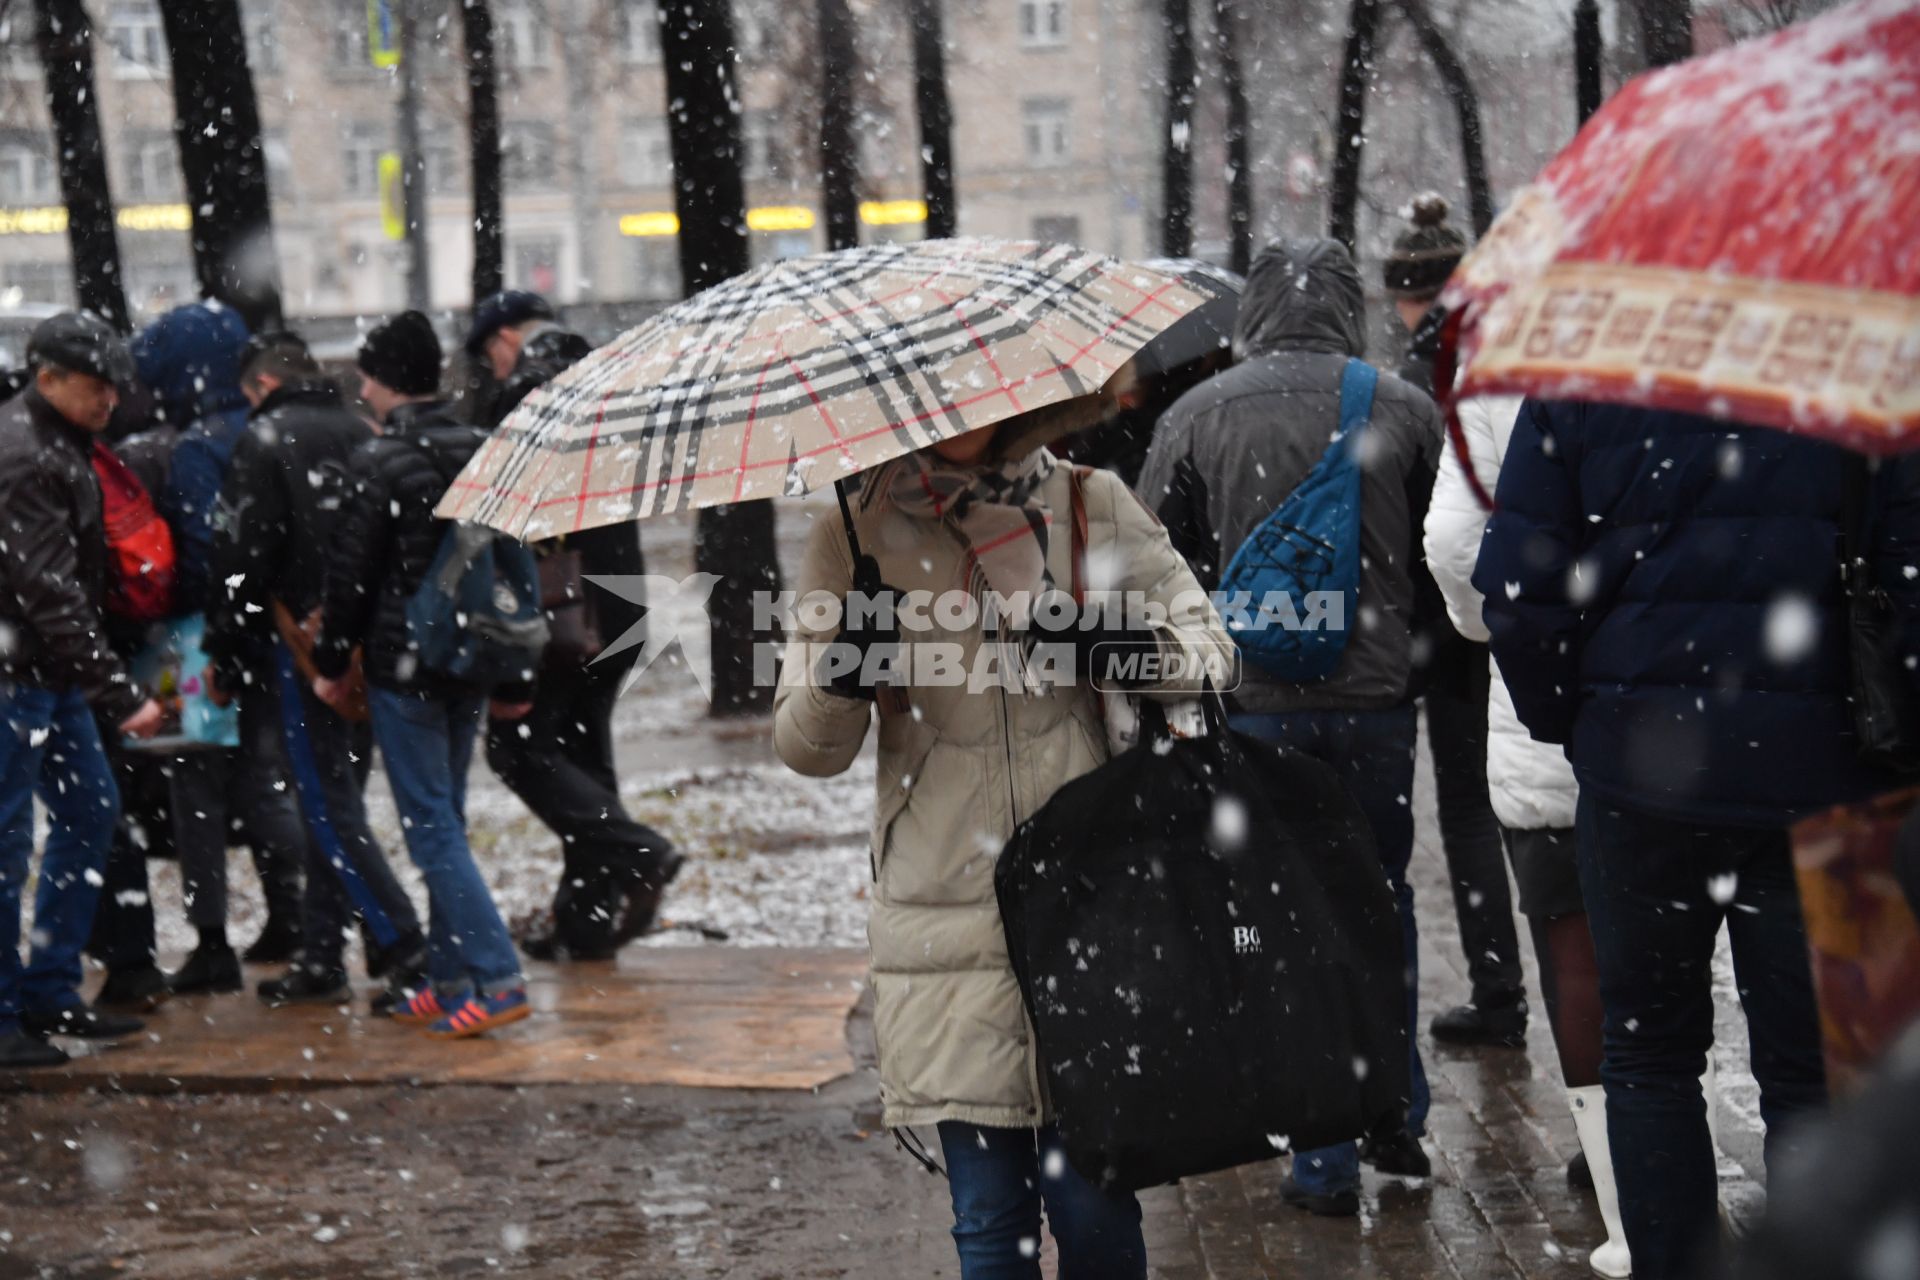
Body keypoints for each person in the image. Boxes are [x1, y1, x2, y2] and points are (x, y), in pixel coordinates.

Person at [773, 411, 1230, 1279]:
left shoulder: (1090, 504)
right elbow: (805, 748)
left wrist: (1107, 646)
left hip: (1090, 902)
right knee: (990, 1221)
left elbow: (1212, 655)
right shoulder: (853, 533)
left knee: (1095, 1204)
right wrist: (843, 673)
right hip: (947, 910)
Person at [1475, 400, 1920, 1278]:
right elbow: (1908, 577)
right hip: (1824, 777)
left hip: (1643, 775)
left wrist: (1583, 718)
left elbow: (1519, 593)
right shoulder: (1859, 363)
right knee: (1816, 1070)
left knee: (1648, 1055)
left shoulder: (1586, 365)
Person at [1138, 236, 1441, 1214]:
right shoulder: (1402, 407)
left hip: (1257, 712)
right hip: (1377, 709)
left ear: (1253, 313)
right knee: (1377, 900)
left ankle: (1321, 1153)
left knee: (1286, 916)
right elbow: (1447, 560)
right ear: (1350, 306)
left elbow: (1153, 572)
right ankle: (1396, 1110)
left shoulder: (1195, 416)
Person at [1423, 390, 1631, 1275]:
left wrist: (1499, 626)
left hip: (1551, 712)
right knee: (1681, 951)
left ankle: (1630, 1212)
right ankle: (1696, 1158)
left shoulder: (1506, 364)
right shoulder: (1709, 324)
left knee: (1577, 957)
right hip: (1700, 707)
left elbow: (1454, 542)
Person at [313, 310, 531, 1039]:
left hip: (405, 667)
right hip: (469, 660)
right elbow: (508, 564)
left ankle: (498, 978)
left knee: (432, 828)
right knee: (448, 820)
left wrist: (329, 660)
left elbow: (351, 576)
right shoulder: (480, 447)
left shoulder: (378, 463)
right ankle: (449, 976)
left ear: (378, 381)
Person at [204, 331, 429, 1007]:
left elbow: (241, 554)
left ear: (263, 388)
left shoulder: (266, 440)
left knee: (326, 807)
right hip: (366, 645)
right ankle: (324, 952)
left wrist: (227, 648)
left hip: (303, 645)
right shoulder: (362, 428)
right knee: (338, 800)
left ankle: (404, 942)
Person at [465, 291, 680, 961]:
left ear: (505, 339)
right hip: (620, 605)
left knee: (517, 747)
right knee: (584, 761)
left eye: (487, 357)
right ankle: (586, 923)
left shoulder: (526, 393)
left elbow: (501, 505)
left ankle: (638, 851)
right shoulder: (611, 377)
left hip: (561, 611)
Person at [0, 312, 165, 1067]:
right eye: (97, 388)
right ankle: (14, 1009)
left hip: (45, 674)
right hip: (21, 678)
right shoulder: (29, 455)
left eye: (114, 388)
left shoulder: (55, 443)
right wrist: (118, 691)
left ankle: (47, 989)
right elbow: (49, 591)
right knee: (12, 843)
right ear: (49, 378)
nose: (110, 401)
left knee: (87, 812)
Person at [1384, 194, 1528, 1047]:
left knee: (1463, 808)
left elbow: (1426, 519)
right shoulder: (1504, 354)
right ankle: (1506, 983)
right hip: (1502, 599)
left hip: (1434, 612)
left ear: (1406, 295)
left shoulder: (1411, 375)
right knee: (1497, 803)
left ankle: (1497, 990)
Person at [132, 301, 308, 995]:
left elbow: (207, 552)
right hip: (282, 635)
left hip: (202, 642)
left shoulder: (198, 445)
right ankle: (294, 912)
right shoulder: (274, 429)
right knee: (269, 781)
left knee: (193, 787)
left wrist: (218, 628)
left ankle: (212, 943)